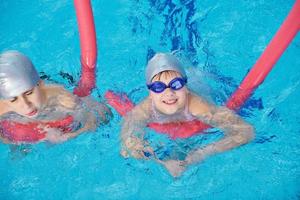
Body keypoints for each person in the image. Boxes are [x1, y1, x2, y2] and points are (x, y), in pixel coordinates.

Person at [120, 53, 254, 177]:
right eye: (158, 87)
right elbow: (127, 147)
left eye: (176, 84)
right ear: (150, 93)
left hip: (202, 81)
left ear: (186, 87)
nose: (169, 92)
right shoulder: (143, 110)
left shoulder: (198, 107)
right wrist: (161, 162)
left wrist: (202, 153)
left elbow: (245, 132)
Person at [0, 50, 112, 144]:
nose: (25, 105)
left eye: (29, 93)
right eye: (13, 99)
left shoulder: (63, 100)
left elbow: (102, 113)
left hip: (61, 84)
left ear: (40, 83)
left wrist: (68, 136)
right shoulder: (3, 107)